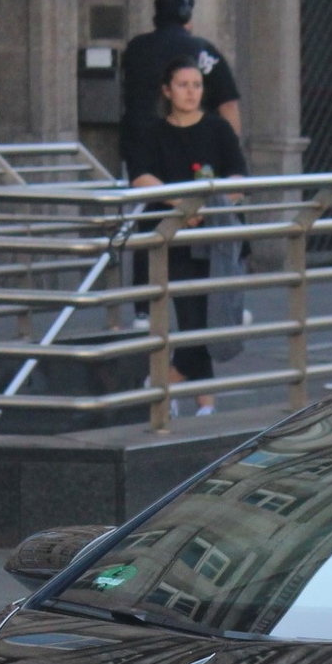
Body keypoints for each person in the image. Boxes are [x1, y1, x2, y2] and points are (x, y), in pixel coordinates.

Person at [130, 58, 247, 415]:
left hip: (214, 239)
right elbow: (140, 176)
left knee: (206, 319)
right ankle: (195, 397)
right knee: (193, 317)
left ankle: (169, 385)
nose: (191, 92)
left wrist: (211, 204)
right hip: (172, 239)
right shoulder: (153, 131)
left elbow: (239, 177)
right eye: (182, 85)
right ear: (167, 91)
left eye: (196, 85)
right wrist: (181, 203)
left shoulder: (218, 129)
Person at [119, 0, 242, 178]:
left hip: (138, 148)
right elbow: (228, 104)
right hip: (193, 149)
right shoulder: (202, 49)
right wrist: (230, 150)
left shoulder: (136, 48)